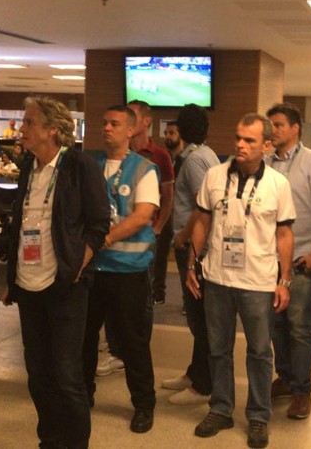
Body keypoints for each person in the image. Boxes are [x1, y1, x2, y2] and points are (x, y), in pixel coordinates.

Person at [2, 96, 109, 449]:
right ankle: (49, 440)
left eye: (29, 122)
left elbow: (98, 224)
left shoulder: (80, 166)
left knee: (66, 375)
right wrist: (12, 276)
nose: (22, 129)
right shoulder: (27, 167)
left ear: (52, 129)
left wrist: (79, 264)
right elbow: (21, 224)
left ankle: (75, 444)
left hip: (65, 285)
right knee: (38, 375)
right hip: (28, 285)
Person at [186, 113, 295, 449]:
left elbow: (285, 233)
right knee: (218, 349)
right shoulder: (215, 176)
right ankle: (220, 408)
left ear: (266, 145)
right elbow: (202, 222)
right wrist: (193, 264)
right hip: (217, 277)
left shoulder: (278, 184)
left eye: (249, 140)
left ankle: (259, 416)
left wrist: (285, 280)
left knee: (260, 352)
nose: (240, 145)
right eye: (238, 138)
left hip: (258, 281)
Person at [83, 105, 159, 433]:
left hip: (128, 271)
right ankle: (83, 396)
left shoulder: (144, 169)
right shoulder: (91, 165)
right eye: (104, 123)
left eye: (114, 123)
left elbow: (143, 215)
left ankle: (144, 404)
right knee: (84, 339)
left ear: (131, 130)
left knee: (132, 342)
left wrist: (107, 237)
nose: (107, 128)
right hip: (92, 270)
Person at [265, 104, 311, 420]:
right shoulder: (265, 163)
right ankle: (285, 377)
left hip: (303, 258)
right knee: (276, 325)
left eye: (279, 125)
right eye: (271, 125)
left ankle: (302, 390)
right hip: (270, 260)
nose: (273, 130)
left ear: (295, 128)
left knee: (299, 327)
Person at [162, 104, 218, 406]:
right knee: (198, 318)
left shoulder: (195, 160)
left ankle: (203, 384)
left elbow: (203, 206)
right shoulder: (202, 155)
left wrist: (182, 238)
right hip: (194, 247)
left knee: (199, 319)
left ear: (181, 130)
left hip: (194, 248)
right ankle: (194, 373)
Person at [127, 100, 175, 305]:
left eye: (132, 116)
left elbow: (168, 197)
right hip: (120, 231)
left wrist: (158, 228)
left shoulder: (160, 156)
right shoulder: (119, 153)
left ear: (146, 121)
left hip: (146, 232)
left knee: (142, 288)